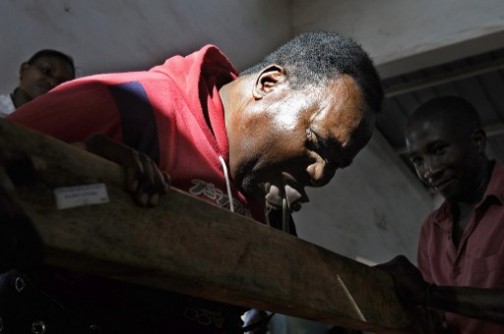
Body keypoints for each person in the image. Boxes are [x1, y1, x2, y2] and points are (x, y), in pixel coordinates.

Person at [3, 31, 384, 333]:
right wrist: (74, 170)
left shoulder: (261, 200)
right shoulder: (125, 107)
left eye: (336, 166)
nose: (319, 175)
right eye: (317, 144)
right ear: (269, 84)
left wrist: (375, 287)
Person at [383, 96, 504, 333]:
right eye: (418, 160)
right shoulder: (432, 229)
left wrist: (430, 295)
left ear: (477, 142)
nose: (429, 171)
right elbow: (436, 319)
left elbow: (432, 297)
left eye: (439, 151)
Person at [0, 49, 75, 117]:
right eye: (47, 71)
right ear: (24, 69)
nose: (52, 82)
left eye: (61, 82)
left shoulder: (55, 128)